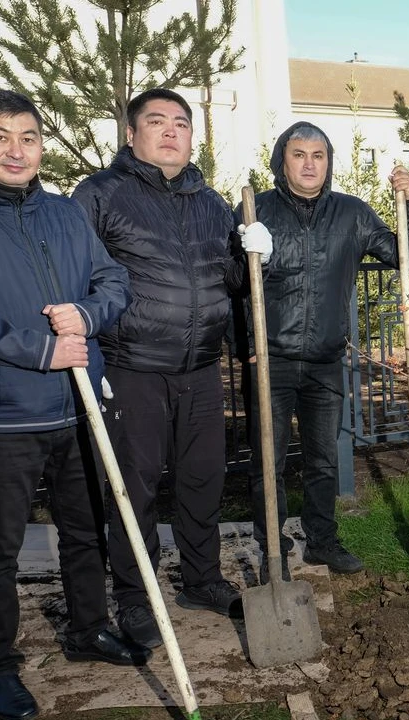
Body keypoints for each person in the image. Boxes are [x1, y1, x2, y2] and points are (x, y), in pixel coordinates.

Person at [0, 88, 140, 720]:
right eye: (1, 136)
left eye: (29, 137)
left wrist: (87, 315)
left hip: (77, 405)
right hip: (1, 413)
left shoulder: (64, 213)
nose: (17, 149)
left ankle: (87, 630)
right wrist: (43, 352)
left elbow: (112, 280)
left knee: (87, 531)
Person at [72, 88, 272, 649]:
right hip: (131, 367)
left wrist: (255, 254)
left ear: (191, 136)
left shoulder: (210, 203)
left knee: (203, 479)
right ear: (131, 134)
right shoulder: (99, 195)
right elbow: (73, 276)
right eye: (155, 121)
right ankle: (135, 597)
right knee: (133, 488)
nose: (169, 132)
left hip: (202, 369)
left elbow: (233, 284)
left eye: (180, 123)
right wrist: (91, 355)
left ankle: (200, 580)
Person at [244, 121, 409, 579]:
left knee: (322, 459)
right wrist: (246, 343)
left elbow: (404, 254)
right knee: (270, 461)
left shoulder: (352, 214)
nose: (309, 164)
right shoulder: (256, 210)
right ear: (282, 160)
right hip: (272, 359)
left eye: (318, 155)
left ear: (328, 162)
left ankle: (321, 541)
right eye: (299, 154)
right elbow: (232, 286)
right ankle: (273, 547)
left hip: (326, 358)